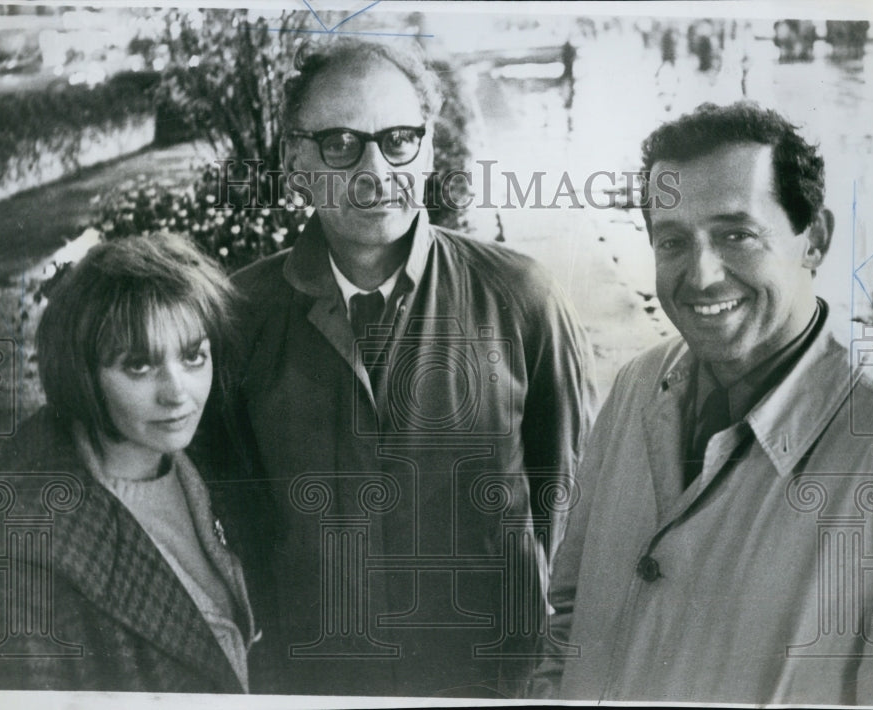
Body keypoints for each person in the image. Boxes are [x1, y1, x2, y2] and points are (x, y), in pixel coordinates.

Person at [213, 38, 597, 697]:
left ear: (426, 151)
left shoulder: (522, 298)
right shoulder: (239, 317)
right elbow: (239, 518)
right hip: (316, 679)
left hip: (491, 679)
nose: (373, 169)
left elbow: (564, 503)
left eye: (398, 139)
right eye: (340, 143)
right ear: (295, 160)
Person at [531, 102, 873, 705]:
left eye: (735, 234)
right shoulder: (637, 385)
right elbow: (567, 621)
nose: (702, 275)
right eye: (672, 241)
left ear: (814, 239)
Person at [0, 233, 257, 693]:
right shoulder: (26, 554)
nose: (178, 393)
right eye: (138, 365)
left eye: (193, 356)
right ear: (83, 373)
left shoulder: (208, 458)